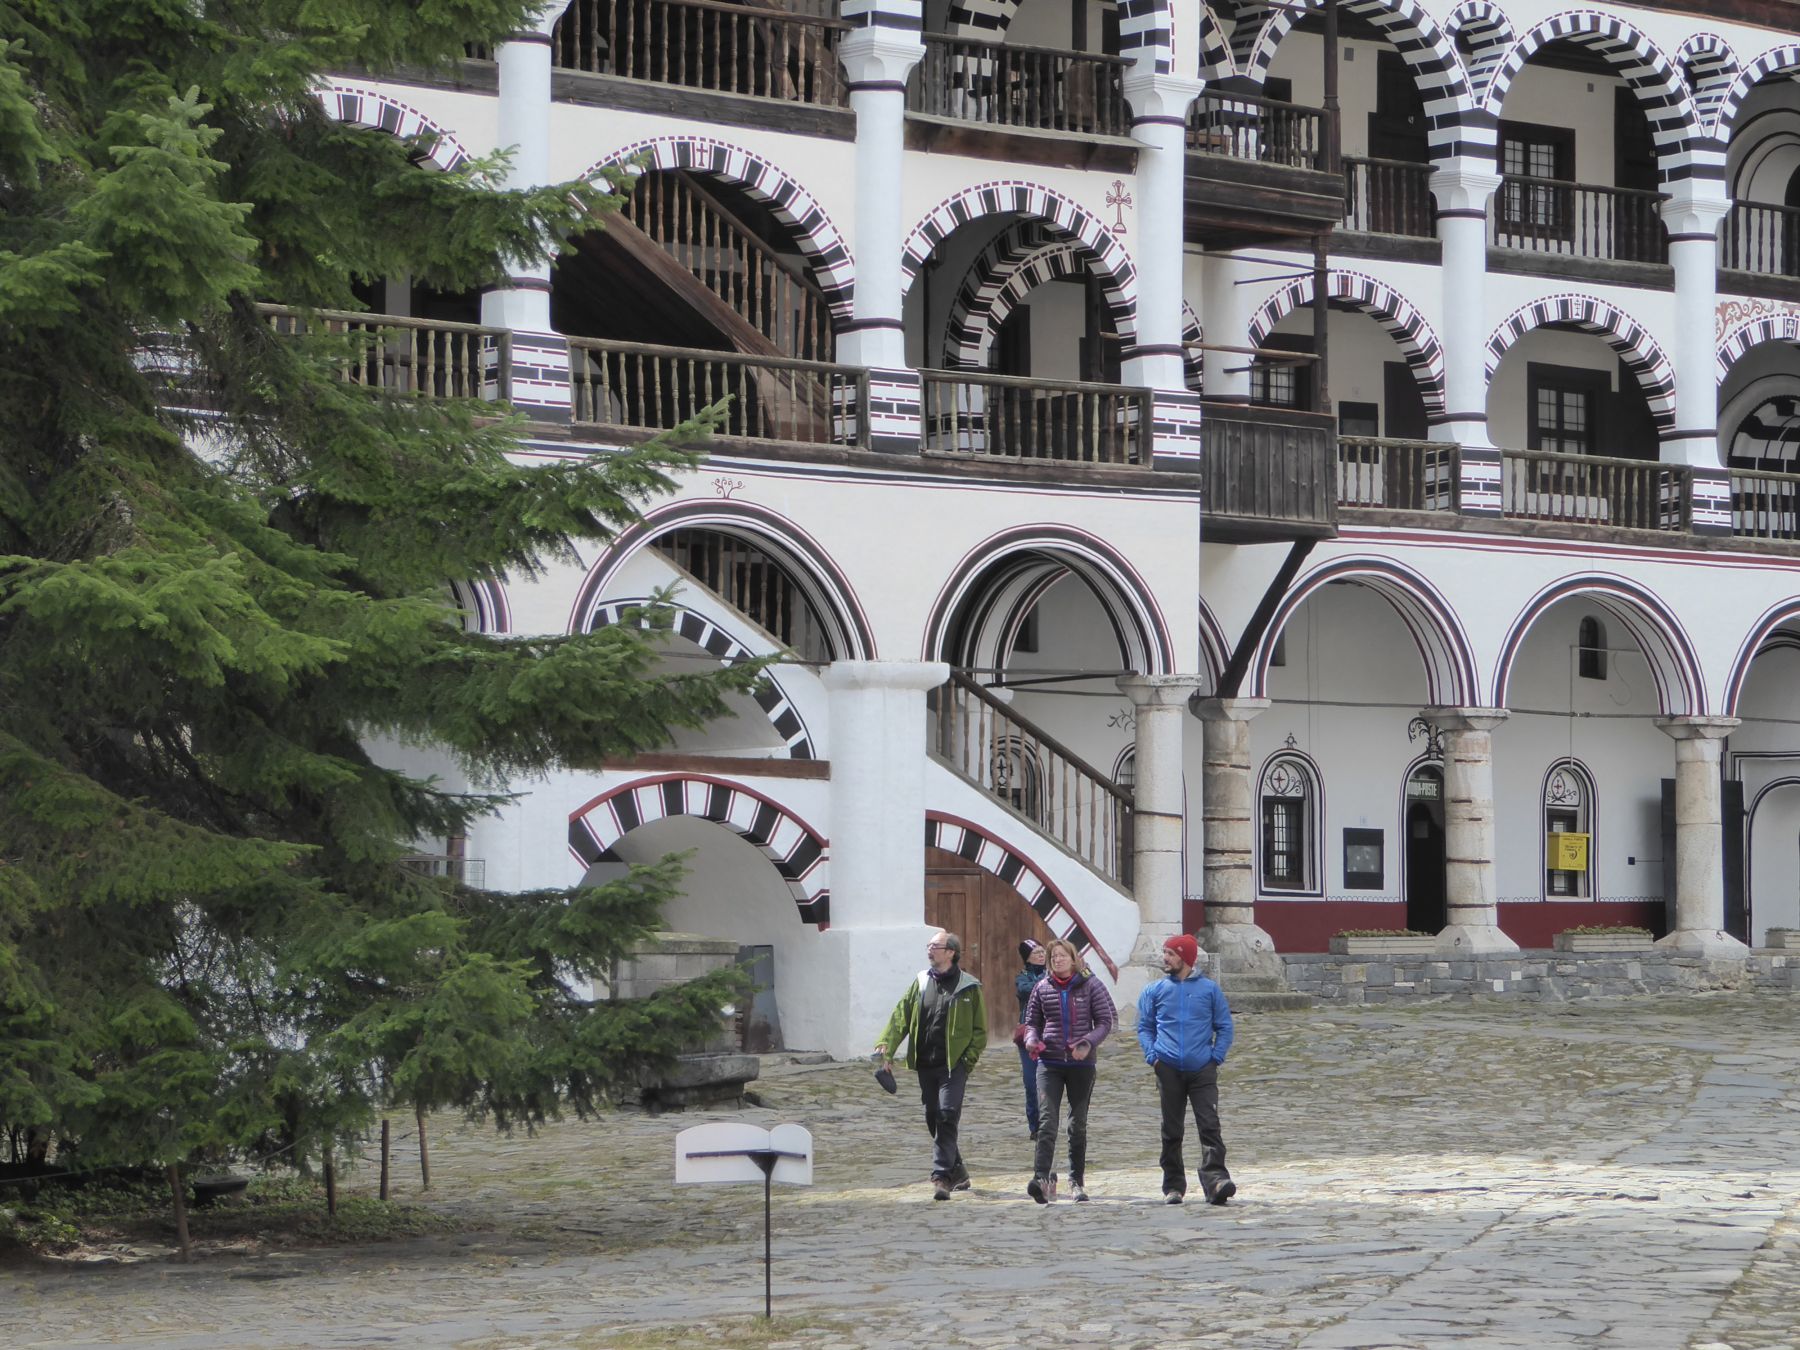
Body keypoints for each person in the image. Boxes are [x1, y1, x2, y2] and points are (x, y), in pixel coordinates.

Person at [875, 929, 987, 1201]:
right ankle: (958, 1170)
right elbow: (901, 1016)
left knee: (947, 1114)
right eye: (929, 945)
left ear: (950, 952)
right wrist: (886, 1047)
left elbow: (980, 1031)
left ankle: (941, 1176)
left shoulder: (969, 987)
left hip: (953, 1065)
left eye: (935, 946)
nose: (929, 950)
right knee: (933, 1117)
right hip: (926, 1063)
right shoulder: (921, 982)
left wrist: (966, 1060)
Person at [1136, 933, 1236, 1206]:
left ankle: (1216, 1181)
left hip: (1202, 1068)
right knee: (1171, 1129)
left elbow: (1224, 1026)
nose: (1165, 958)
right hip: (1167, 1067)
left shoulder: (1209, 990)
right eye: (1165, 953)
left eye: (1171, 953)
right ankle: (1173, 1186)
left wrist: (1215, 1057)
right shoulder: (1155, 990)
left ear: (1186, 958)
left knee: (1210, 1125)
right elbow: (1144, 1027)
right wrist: (1153, 1057)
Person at [1021, 937, 1115, 1204]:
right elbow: (1032, 1022)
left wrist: (1087, 1042)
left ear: (1073, 959)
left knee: (1077, 1124)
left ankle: (1076, 1181)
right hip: (1049, 1063)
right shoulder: (1041, 987)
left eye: (1062, 955)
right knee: (1047, 1121)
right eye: (1053, 957)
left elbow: (1105, 1021)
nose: (1057, 960)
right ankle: (1041, 1178)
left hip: (1081, 1065)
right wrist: (1031, 1039)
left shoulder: (1091, 985)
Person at [1013, 940, 1047, 1139]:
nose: (1041, 956)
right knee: (1030, 1081)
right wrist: (1046, 980)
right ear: (1027, 957)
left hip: (1049, 1033)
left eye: (1043, 952)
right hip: (1028, 1036)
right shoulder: (1022, 978)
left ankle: (1048, 1121)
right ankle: (1035, 1125)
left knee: (1048, 1082)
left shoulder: (1052, 974)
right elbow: (1026, 990)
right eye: (1036, 953)